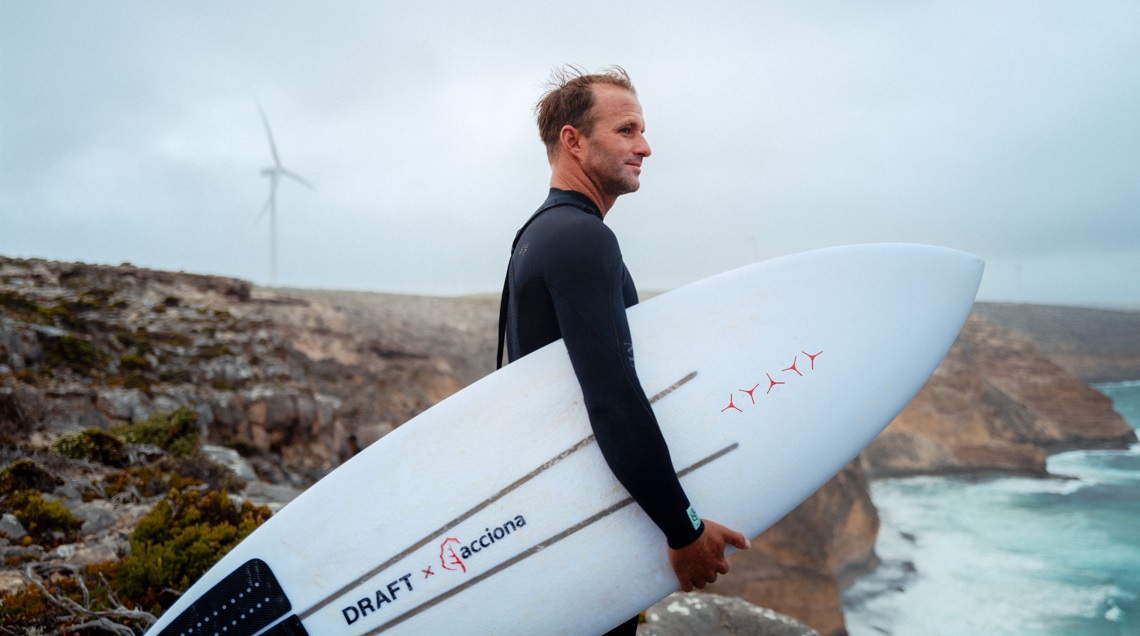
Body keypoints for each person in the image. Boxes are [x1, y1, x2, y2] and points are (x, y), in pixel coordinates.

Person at [496, 65, 750, 636]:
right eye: (627, 130)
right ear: (573, 141)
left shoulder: (541, 232)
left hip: (569, 520)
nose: (646, 146)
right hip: (584, 530)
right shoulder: (582, 238)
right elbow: (612, 399)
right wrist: (683, 529)